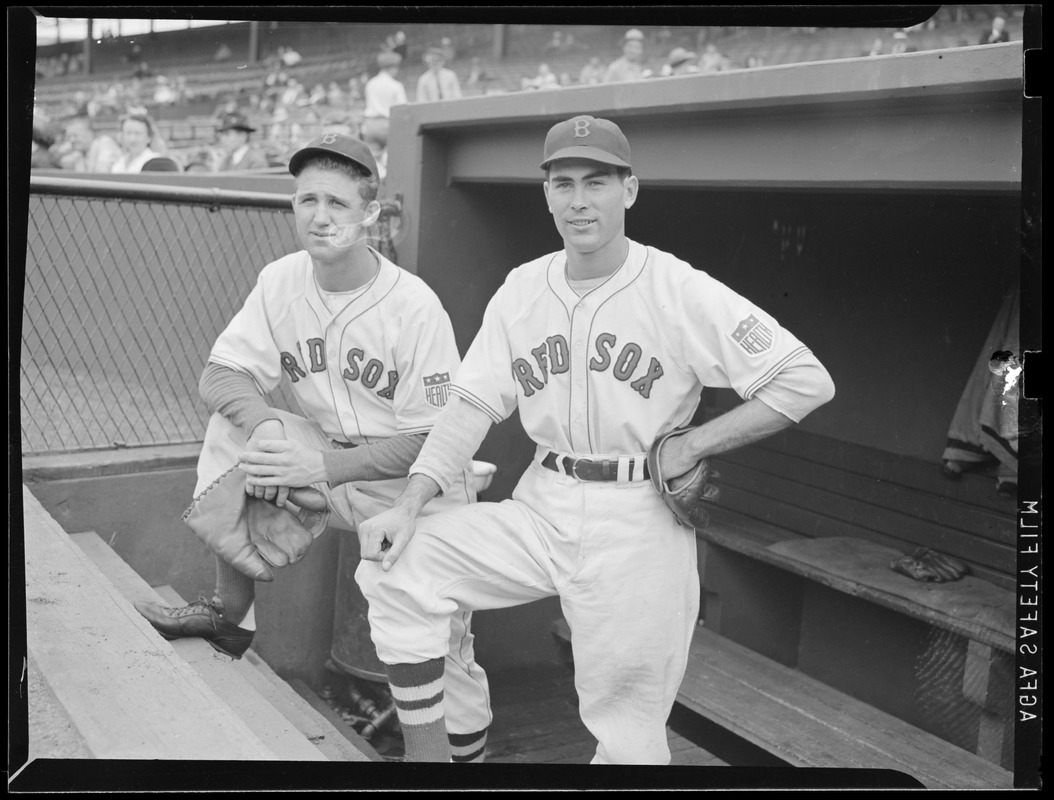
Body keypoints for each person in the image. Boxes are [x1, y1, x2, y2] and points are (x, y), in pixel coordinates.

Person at [354, 115, 837, 764]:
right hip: (542, 503)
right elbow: (470, 406)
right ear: (546, 193)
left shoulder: (678, 288)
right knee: (399, 564)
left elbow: (803, 380)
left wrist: (694, 445)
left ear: (629, 190)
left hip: (638, 522)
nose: (579, 200)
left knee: (630, 741)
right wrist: (410, 503)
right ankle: (430, 761)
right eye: (563, 183)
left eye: (597, 182)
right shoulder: (523, 289)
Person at [133, 132, 493, 762]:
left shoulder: (414, 306)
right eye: (306, 201)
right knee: (234, 428)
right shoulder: (281, 279)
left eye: (337, 203)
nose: (319, 217)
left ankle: (459, 759)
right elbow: (219, 375)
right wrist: (269, 428)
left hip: (415, 487)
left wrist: (317, 464)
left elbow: (433, 439)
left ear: (370, 216)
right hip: (323, 461)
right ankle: (230, 615)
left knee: (442, 646)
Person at [362, 51, 408, 150]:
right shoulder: (396, 85)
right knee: (393, 156)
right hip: (387, 125)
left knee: (373, 159)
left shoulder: (370, 83)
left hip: (370, 125)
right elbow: (402, 109)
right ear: (392, 68)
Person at [57, 115, 122, 173]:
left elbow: (101, 175)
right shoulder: (80, 153)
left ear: (89, 133)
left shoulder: (104, 143)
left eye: (75, 135)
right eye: (69, 137)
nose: (72, 140)